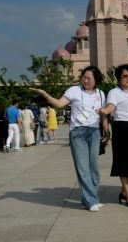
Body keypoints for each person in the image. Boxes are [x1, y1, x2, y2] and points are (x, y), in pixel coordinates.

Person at [33, 66, 109, 212]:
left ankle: (89, 198)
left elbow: (103, 115)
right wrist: (45, 95)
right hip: (78, 133)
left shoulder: (100, 93)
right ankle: (91, 200)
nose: (85, 80)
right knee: (83, 168)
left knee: (93, 167)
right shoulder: (74, 90)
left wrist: (107, 132)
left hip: (94, 131)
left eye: (89, 78)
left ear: (96, 80)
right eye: (84, 77)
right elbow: (59, 104)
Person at [99, 64, 128, 208]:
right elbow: (111, 106)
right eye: (125, 76)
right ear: (118, 77)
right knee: (123, 161)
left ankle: (123, 191)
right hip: (122, 128)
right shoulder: (114, 92)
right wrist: (106, 110)